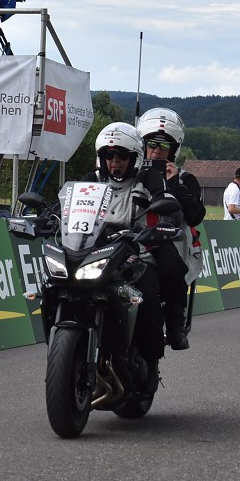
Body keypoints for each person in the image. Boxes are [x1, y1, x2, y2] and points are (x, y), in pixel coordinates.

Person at [82, 122, 166, 394]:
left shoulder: (148, 179)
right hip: (94, 252)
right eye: (109, 156)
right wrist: (48, 218)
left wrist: (163, 222)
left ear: (134, 158)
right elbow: (63, 206)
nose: (114, 162)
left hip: (135, 252)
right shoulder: (91, 179)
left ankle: (150, 361)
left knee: (148, 293)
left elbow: (165, 204)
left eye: (121, 156)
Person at [137, 107, 205, 351]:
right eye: (151, 143)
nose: (156, 150)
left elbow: (196, 216)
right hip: (131, 239)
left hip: (169, 242)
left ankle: (175, 327)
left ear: (173, 150)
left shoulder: (185, 179)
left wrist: (174, 184)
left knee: (171, 269)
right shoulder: (131, 173)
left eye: (163, 145)